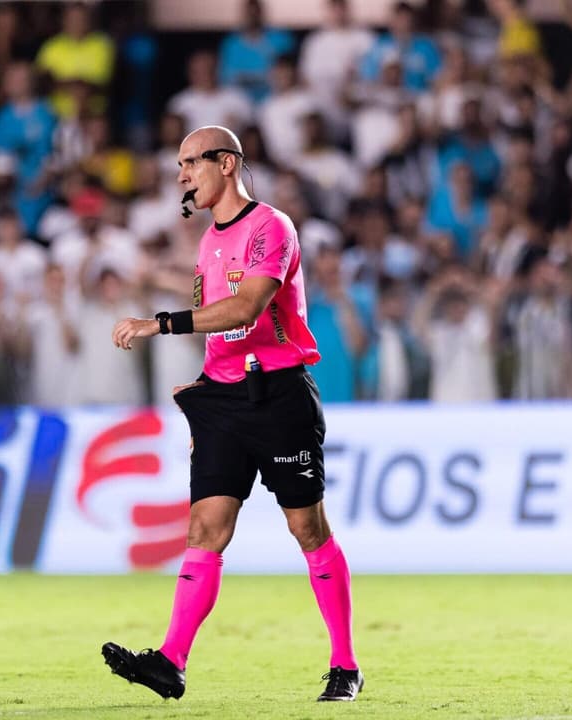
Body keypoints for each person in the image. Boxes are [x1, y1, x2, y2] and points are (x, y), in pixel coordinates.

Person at [103, 126, 362, 702]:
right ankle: (171, 661)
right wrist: (203, 390)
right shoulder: (208, 242)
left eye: (190, 163)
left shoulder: (272, 226)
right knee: (205, 529)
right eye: (179, 166)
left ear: (226, 163)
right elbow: (223, 330)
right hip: (223, 398)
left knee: (307, 527)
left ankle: (345, 664)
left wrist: (159, 323)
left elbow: (248, 307)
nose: (181, 177)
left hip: (278, 396)